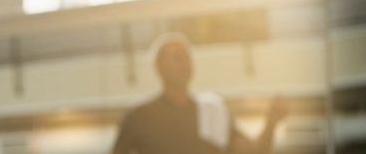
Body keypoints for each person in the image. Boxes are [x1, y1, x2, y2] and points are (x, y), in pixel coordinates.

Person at [111, 32, 288, 154]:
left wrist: (271, 123)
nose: (185, 63)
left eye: (188, 57)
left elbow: (253, 152)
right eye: (177, 57)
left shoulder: (212, 110)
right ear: (159, 66)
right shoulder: (139, 117)